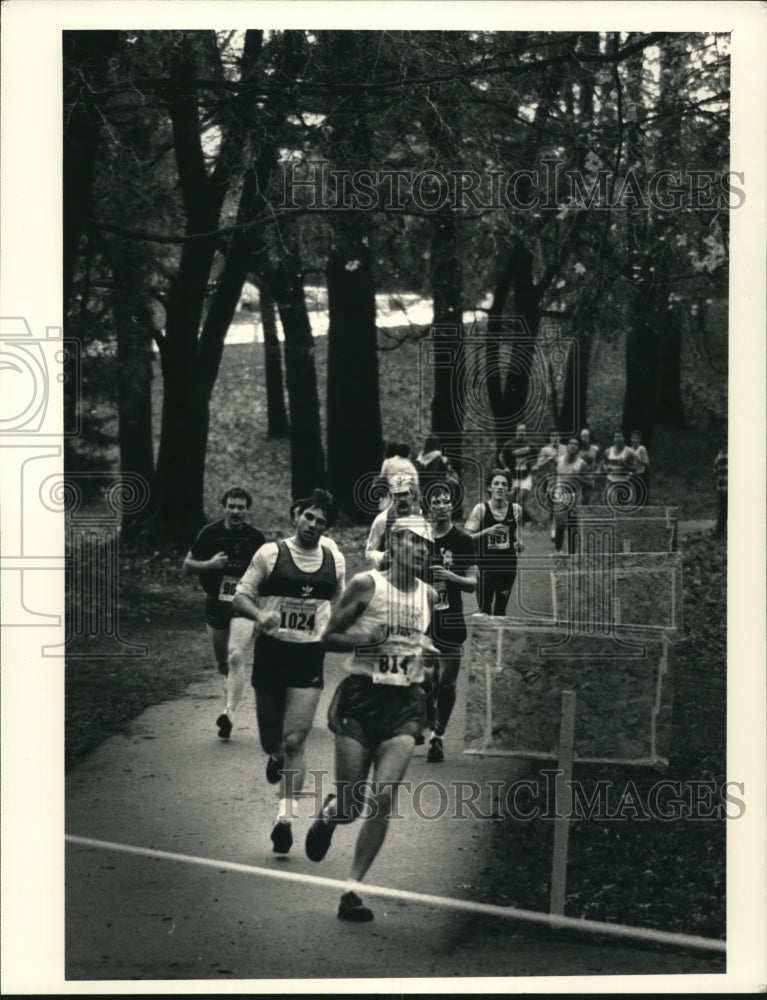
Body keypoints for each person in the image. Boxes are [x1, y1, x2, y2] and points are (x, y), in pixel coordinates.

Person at [304, 516, 439, 922]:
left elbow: (421, 651)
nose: (421, 551)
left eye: (427, 546)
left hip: (404, 705)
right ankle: (330, 816)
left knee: (382, 799)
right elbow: (328, 638)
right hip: (361, 700)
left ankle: (353, 889)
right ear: (394, 545)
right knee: (351, 805)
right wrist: (370, 640)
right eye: (414, 543)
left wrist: (427, 664)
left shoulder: (429, 596)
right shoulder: (367, 585)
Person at [232, 489, 345, 855]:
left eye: (321, 521)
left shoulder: (334, 558)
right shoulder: (270, 553)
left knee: (296, 739)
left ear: (327, 528)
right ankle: (275, 757)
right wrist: (259, 614)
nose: (313, 525)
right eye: (308, 517)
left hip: (308, 655)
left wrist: (339, 632)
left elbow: (340, 604)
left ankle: (285, 819)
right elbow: (240, 596)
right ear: (297, 516)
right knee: (272, 741)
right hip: (272, 652)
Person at [183, 487, 266, 740]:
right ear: (224, 507)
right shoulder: (209, 533)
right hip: (216, 603)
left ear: (247, 509)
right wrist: (208, 565)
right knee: (223, 664)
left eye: (241, 507)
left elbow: (268, 572)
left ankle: (228, 713)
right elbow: (187, 566)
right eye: (232, 506)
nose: (236, 511)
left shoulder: (256, 538)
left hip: (244, 603)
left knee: (236, 655)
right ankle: (229, 691)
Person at [422, 482, 477, 763]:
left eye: (446, 501)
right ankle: (425, 712)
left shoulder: (463, 541)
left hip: (450, 617)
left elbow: (472, 583)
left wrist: (449, 576)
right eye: (436, 501)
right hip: (420, 619)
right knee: (423, 681)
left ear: (452, 506)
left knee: (447, 683)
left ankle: (438, 736)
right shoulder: (417, 538)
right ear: (428, 506)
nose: (442, 505)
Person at [464, 468, 523, 616]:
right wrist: (486, 531)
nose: (500, 487)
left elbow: (514, 534)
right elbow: (465, 539)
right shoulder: (480, 509)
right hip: (485, 568)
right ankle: (485, 639)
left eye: (504, 484)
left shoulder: (516, 510)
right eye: (496, 483)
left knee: (500, 612)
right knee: (484, 612)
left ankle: (499, 639)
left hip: (507, 568)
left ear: (508, 489)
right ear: (490, 487)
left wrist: (519, 543)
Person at [364, 473, 419, 568]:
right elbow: (369, 552)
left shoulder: (422, 517)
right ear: (391, 496)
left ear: (413, 494)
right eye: (397, 495)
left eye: (405, 494)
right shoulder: (382, 520)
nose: (402, 499)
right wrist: (382, 556)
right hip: (390, 575)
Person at [552, 438, 591, 553]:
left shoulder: (582, 464)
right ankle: (558, 552)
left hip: (574, 497)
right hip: (559, 496)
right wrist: (551, 487)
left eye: (576, 444)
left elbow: (590, 483)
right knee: (559, 525)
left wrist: (578, 478)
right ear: (567, 446)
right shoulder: (558, 461)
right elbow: (555, 475)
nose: (573, 446)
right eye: (571, 443)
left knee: (572, 527)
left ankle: (572, 555)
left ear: (578, 448)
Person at [497, 424, 536, 525]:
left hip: (526, 476)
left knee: (520, 498)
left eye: (523, 430)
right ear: (516, 431)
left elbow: (536, 457)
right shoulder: (510, 444)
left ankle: (527, 520)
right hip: (513, 476)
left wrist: (534, 466)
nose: (521, 432)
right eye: (519, 430)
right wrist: (505, 467)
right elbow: (501, 456)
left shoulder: (530, 445)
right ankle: (523, 521)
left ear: (526, 432)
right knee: (513, 501)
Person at [532, 427, 567, 541]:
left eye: (557, 436)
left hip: (565, 481)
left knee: (563, 507)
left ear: (560, 437)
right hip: (551, 481)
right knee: (553, 508)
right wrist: (549, 459)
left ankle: (561, 528)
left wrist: (561, 461)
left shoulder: (565, 448)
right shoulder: (545, 450)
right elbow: (538, 465)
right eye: (553, 436)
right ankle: (553, 530)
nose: (555, 438)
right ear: (550, 437)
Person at [603, 430, 637, 503]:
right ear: (613, 439)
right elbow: (604, 463)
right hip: (611, 482)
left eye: (619, 437)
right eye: (615, 437)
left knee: (623, 506)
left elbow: (635, 469)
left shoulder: (629, 452)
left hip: (624, 482)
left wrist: (625, 465)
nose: (617, 439)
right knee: (610, 505)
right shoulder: (608, 451)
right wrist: (605, 467)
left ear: (624, 438)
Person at [577, 427, 602, 504]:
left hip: (593, 478)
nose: (584, 439)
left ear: (590, 438)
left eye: (586, 437)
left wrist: (598, 470)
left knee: (593, 500)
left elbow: (600, 461)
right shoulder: (578, 451)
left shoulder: (595, 449)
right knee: (583, 501)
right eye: (582, 436)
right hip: (582, 480)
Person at [629, 430, 650, 505]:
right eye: (633, 438)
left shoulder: (642, 449)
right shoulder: (629, 450)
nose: (635, 440)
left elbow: (647, 463)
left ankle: (643, 508)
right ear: (631, 439)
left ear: (639, 440)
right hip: (632, 474)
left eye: (637, 438)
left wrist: (639, 460)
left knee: (641, 492)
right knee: (633, 493)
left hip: (641, 473)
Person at [714, 446, 727, 536]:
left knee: (722, 509)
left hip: (720, 487)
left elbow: (715, 471)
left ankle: (720, 528)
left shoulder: (719, 456)